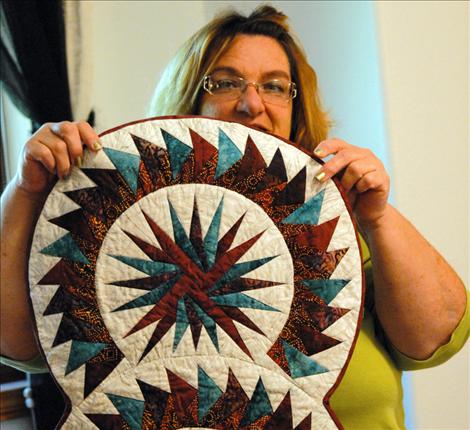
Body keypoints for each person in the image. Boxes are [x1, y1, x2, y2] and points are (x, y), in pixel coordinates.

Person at [1, 5, 468, 428]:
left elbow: (434, 337)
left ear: (295, 106)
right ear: (189, 96)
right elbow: (19, 342)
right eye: (225, 82)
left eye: (274, 86)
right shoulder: (117, 218)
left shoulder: (335, 223)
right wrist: (27, 191)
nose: (252, 102)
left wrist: (379, 218)